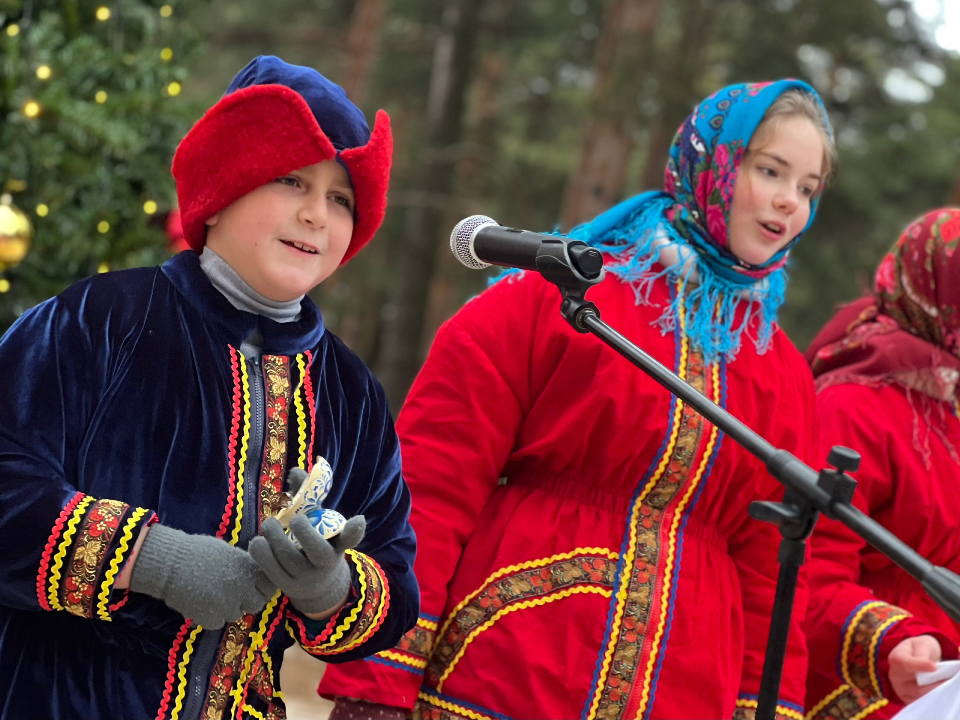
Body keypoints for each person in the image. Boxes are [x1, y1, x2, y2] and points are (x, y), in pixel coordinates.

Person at [320, 80, 835, 720]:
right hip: (502, 673)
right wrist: (380, 676)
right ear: (713, 164)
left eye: (809, 188)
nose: (790, 201)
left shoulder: (783, 374)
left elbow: (773, 576)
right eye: (770, 170)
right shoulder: (561, 296)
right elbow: (433, 482)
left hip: (686, 693)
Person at [0, 55, 418, 720]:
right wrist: (148, 559)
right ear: (224, 188)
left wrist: (331, 588)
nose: (317, 215)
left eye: (340, 199)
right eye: (292, 181)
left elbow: (395, 581)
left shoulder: (352, 392)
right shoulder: (102, 319)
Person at [804, 208, 960, 720]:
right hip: (866, 679)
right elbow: (811, 570)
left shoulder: (950, 401)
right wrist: (893, 640)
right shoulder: (848, 404)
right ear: (937, 289)